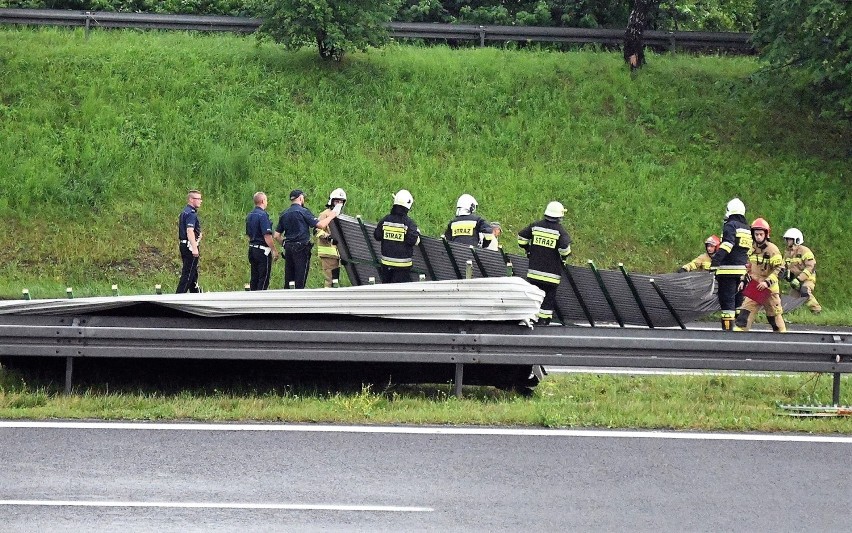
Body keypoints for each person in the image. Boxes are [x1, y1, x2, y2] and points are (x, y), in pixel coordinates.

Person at [517, 201, 572, 326]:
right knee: (547, 300)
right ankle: (544, 323)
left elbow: (521, 238)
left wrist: (528, 250)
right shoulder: (560, 231)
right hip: (551, 276)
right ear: (560, 216)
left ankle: (531, 318)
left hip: (534, 273)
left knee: (534, 297)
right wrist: (563, 258)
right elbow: (565, 249)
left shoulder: (536, 226)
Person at [274, 189, 337, 289]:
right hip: (301, 249)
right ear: (300, 198)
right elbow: (320, 225)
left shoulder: (284, 213)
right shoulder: (303, 211)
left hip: (288, 249)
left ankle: (287, 300)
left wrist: (284, 244)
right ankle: (299, 301)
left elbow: (276, 235)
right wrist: (331, 216)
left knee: (289, 279)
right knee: (300, 279)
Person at [734, 218, 786, 332]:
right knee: (744, 315)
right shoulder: (752, 249)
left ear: (766, 234)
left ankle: (783, 342)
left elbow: (780, 268)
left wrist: (767, 282)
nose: (758, 236)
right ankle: (738, 340)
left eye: (761, 234)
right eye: (756, 234)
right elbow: (748, 267)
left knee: (774, 318)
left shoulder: (772, 250)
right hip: (755, 287)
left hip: (769, 290)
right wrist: (743, 281)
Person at [710, 198, 750, 331]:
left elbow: (727, 244)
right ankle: (739, 333)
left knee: (727, 303)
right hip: (743, 272)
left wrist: (716, 260)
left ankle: (727, 333)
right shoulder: (747, 228)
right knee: (739, 302)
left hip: (728, 271)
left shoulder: (730, 225)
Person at [373, 189, 421, 283]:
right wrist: (417, 232)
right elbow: (414, 241)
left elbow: (377, 236)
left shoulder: (385, 220)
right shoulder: (408, 223)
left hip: (386, 265)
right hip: (402, 267)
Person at [782, 227, 822, 314]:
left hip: (808, 278)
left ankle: (816, 311)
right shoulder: (787, 253)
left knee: (804, 291)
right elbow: (783, 266)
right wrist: (782, 273)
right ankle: (792, 314)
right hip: (795, 280)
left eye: (790, 239)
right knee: (792, 300)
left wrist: (799, 279)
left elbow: (810, 267)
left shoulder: (805, 251)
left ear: (796, 240)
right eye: (787, 239)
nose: (787, 241)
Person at [246, 191, 279, 291]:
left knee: (254, 277)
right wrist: (274, 250)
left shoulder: (250, 215)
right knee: (263, 278)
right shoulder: (263, 215)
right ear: (263, 201)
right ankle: (260, 299)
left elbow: (248, 233)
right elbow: (267, 235)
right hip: (262, 251)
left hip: (252, 249)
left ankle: (252, 296)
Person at [316, 188, 347, 288]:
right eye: (337, 201)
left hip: (337, 254)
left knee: (335, 280)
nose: (339, 204)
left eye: (341, 201)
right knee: (330, 281)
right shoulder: (325, 214)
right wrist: (328, 238)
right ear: (331, 201)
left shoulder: (340, 216)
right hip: (328, 253)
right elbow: (317, 230)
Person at [176, 189, 203, 293]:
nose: (200, 201)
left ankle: (195, 294)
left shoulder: (184, 212)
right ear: (191, 199)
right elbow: (189, 231)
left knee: (193, 274)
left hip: (184, 245)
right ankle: (178, 296)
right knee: (187, 274)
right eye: (198, 199)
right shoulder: (191, 213)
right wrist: (195, 248)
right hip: (190, 246)